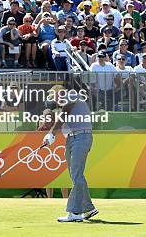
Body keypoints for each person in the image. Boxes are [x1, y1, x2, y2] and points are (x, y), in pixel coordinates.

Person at [43, 92, 98, 222]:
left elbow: (65, 111)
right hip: (72, 139)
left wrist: (52, 133)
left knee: (77, 174)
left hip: (82, 137)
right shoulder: (65, 108)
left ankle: (75, 212)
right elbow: (63, 122)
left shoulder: (72, 96)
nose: (55, 102)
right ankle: (88, 208)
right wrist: (50, 137)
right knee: (76, 175)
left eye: (55, 98)